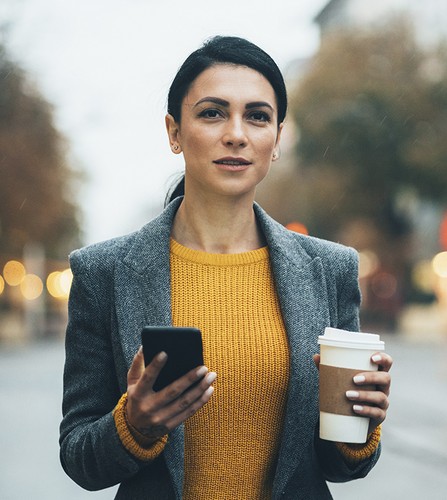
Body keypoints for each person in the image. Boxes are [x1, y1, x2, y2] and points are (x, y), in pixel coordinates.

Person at [59, 35, 392, 499]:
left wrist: (359, 427)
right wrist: (133, 424)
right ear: (174, 133)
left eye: (257, 116)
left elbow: (342, 467)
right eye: (212, 112)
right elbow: (79, 458)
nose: (236, 133)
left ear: (276, 139)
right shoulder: (104, 272)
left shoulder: (330, 269)